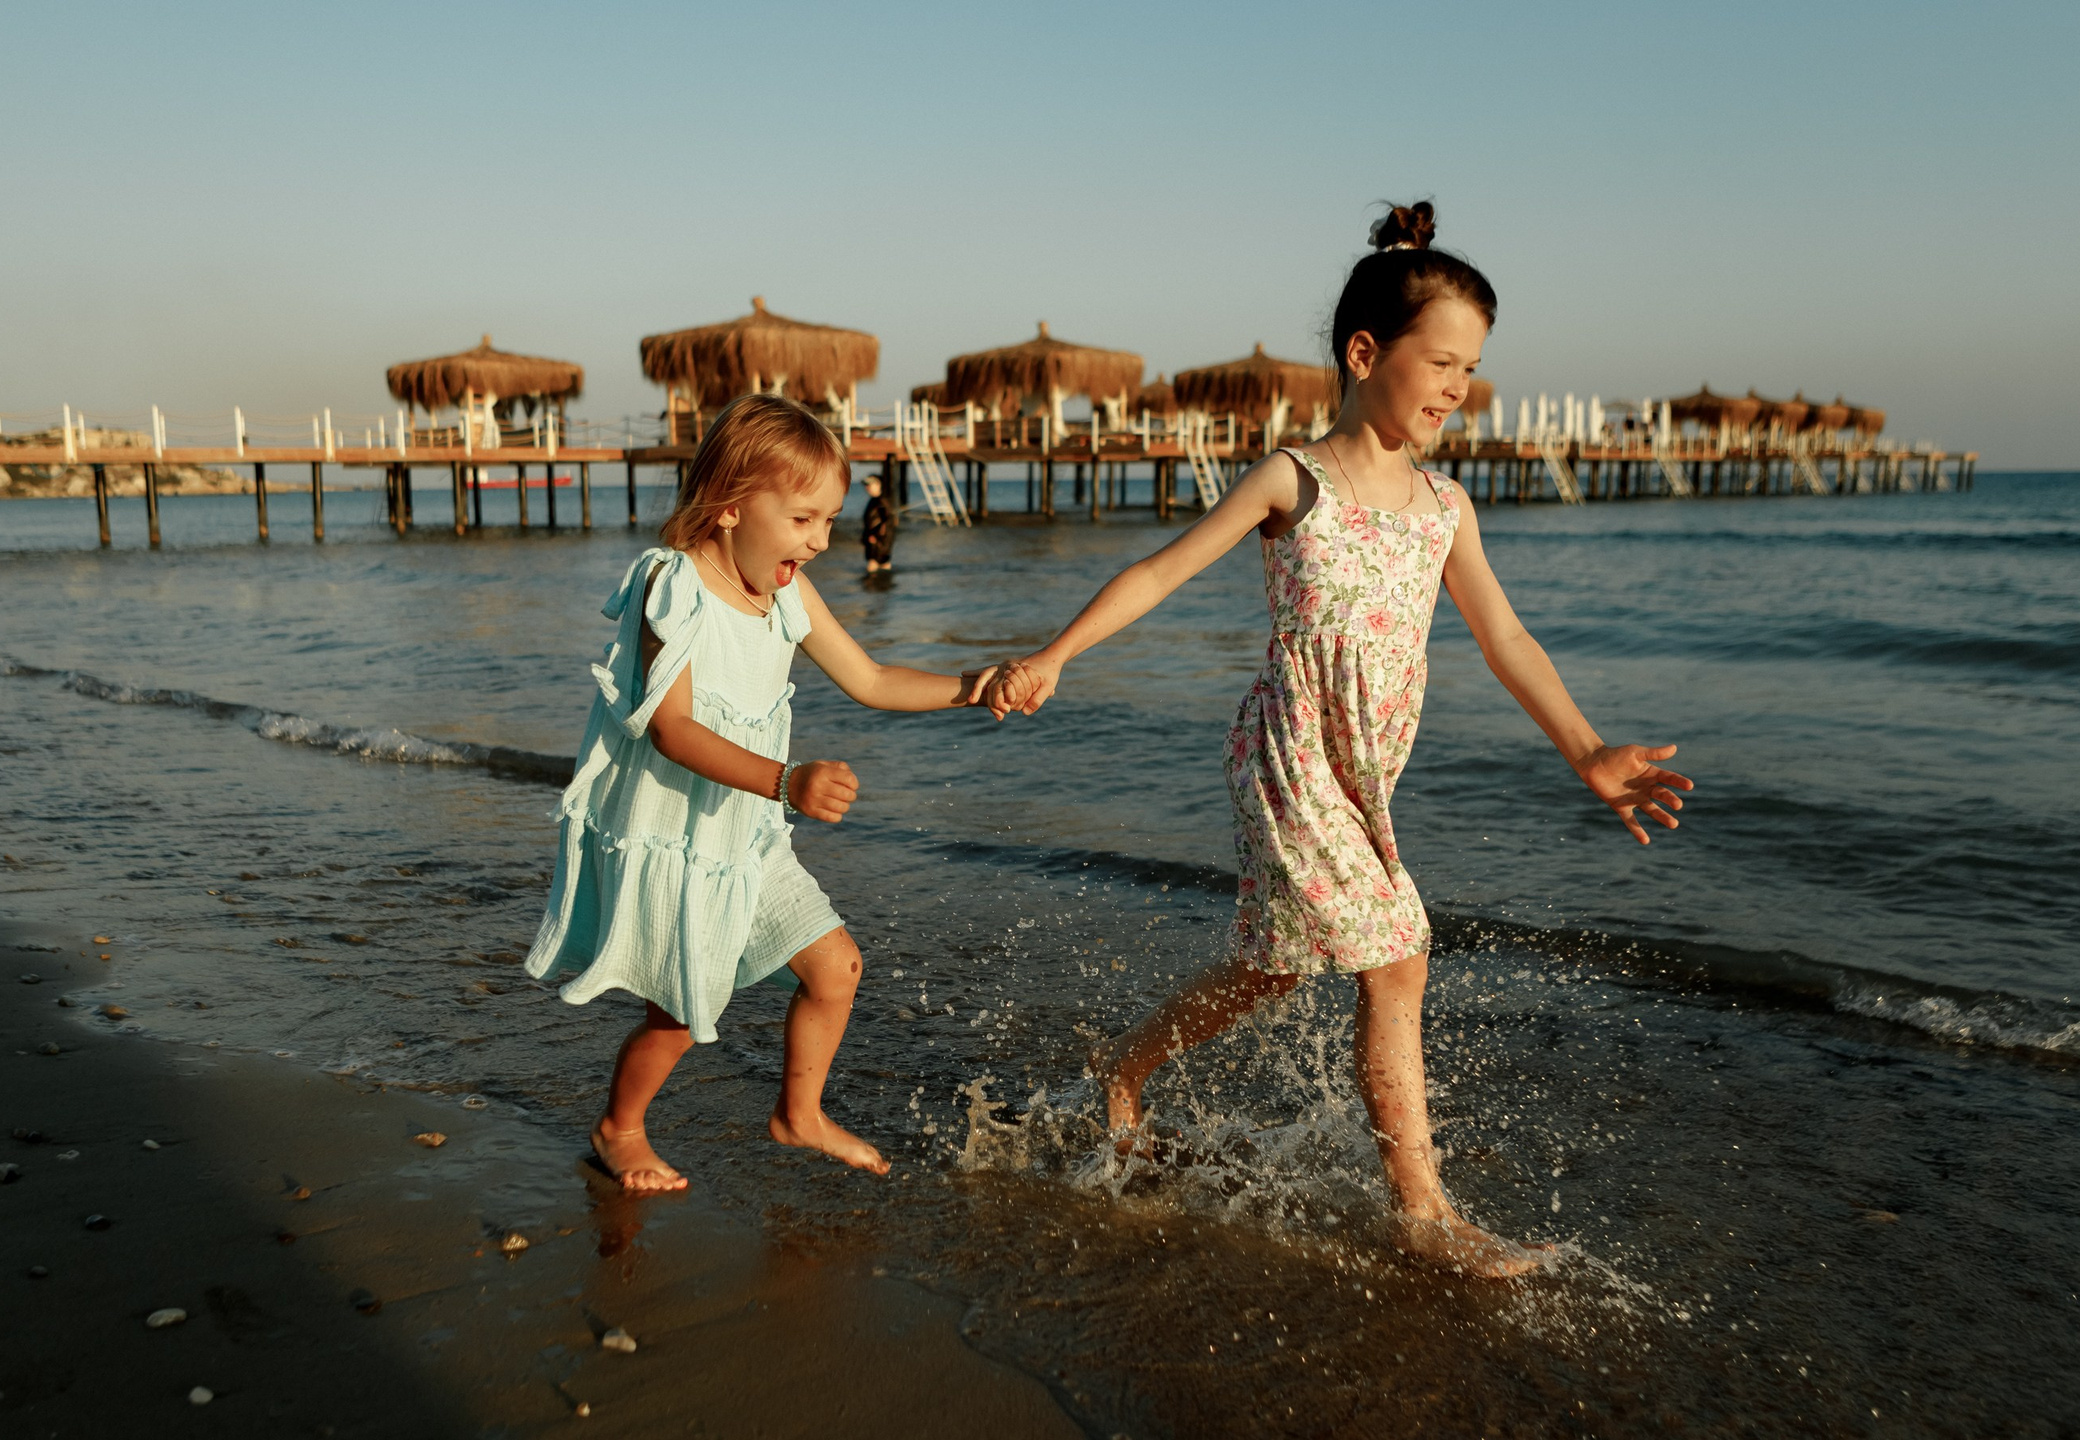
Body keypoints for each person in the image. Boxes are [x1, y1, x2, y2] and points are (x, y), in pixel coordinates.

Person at [984, 202, 1694, 1277]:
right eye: (1442, 361)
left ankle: (1123, 1071)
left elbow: (1504, 636)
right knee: (1398, 958)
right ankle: (1422, 1215)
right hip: (1287, 758)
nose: (1460, 386)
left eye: (1473, 367)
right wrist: (1058, 653)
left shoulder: (1446, 504)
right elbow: (1163, 569)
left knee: (1275, 968)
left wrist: (1585, 748)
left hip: (1366, 774)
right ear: (1367, 354)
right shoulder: (1293, 479)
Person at [526, 394, 995, 1195]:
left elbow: (871, 677)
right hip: (681, 840)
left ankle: (799, 1114)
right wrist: (788, 780)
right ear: (733, 505)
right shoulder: (671, 588)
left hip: (749, 841)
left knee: (836, 968)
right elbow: (672, 729)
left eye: (828, 521)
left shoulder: (783, 594)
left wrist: (971, 687)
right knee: (676, 1016)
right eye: (805, 519)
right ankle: (619, 1127)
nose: (821, 540)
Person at [861, 470, 898, 572]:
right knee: (884, 569)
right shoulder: (876, 501)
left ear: (878, 484)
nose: (867, 487)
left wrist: (876, 538)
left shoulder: (882, 502)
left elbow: (888, 523)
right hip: (879, 544)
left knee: (872, 572)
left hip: (879, 545)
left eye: (869, 485)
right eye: (866, 485)